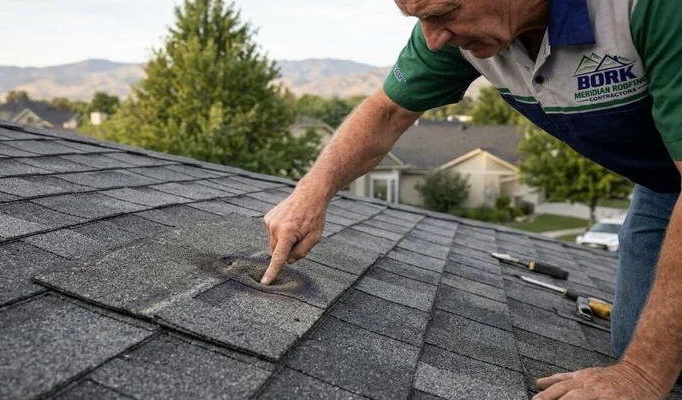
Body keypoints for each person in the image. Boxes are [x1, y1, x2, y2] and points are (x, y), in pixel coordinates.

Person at [262, 0, 682, 398]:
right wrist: (310, 193)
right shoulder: (460, 35)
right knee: (639, 342)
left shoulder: (644, 9)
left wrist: (641, 375)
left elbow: (642, 376)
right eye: (418, 17)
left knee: (649, 369)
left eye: (444, 13)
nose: (432, 39)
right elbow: (388, 112)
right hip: (665, 185)